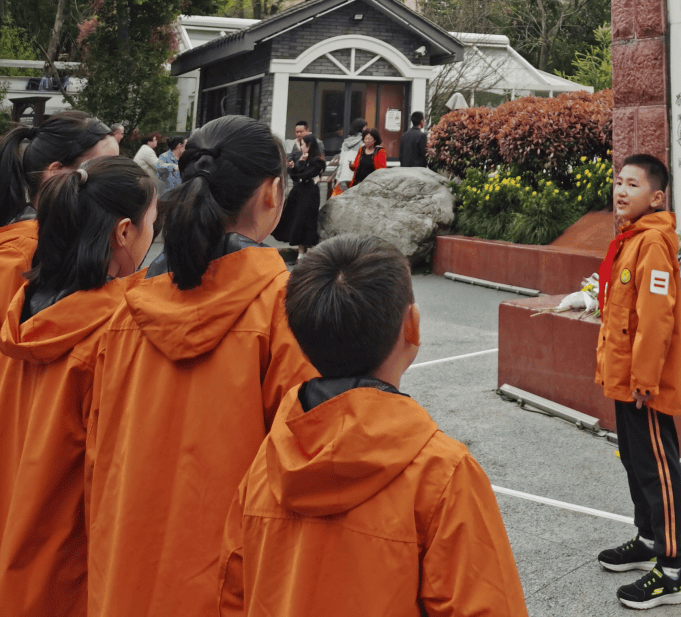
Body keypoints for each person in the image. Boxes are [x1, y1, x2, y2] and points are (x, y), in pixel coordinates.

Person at [218, 235, 529, 616]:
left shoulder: (266, 465)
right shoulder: (442, 475)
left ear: (300, 342)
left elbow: (232, 592)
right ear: (412, 326)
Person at [86, 115, 315, 617]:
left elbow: (97, 454)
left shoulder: (126, 309)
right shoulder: (284, 309)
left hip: (123, 577)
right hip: (228, 584)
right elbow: (303, 467)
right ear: (272, 193)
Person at [0, 157, 157, 617]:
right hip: (69, 566)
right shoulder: (113, 331)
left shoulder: (23, 311)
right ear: (124, 232)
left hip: (16, 544)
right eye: (152, 222)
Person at [595, 155, 681, 609]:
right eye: (618, 181)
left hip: (643, 384)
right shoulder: (630, 239)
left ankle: (671, 569)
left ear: (655, 197)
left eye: (631, 184)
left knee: (658, 468)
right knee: (635, 462)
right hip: (625, 378)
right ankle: (648, 539)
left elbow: (656, 317)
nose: (620, 190)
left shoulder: (652, 242)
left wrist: (645, 377)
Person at [0, 113, 120, 316]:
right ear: (56, 172)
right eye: (104, 170)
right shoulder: (19, 253)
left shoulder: (69, 239)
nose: (117, 181)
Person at [272, 132, 325, 255]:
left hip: (310, 194)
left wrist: (299, 165)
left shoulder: (318, 161)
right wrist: (293, 167)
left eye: (302, 145)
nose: (301, 148)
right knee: (295, 220)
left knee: (306, 221)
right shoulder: (304, 158)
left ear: (309, 145)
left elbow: (305, 175)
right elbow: (296, 177)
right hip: (299, 193)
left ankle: (308, 254)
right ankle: (300, 253)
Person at [332, 117, 368, 191]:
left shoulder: (346, 142)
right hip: (357, 174)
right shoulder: (364, 142)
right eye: (365, 126)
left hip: (345, 175)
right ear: (362, 128)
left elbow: (341, 161)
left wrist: (338, 178)